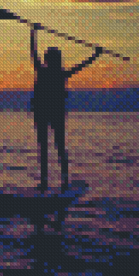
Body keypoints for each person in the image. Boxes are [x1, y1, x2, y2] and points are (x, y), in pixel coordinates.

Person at [30, 24, 103, 194]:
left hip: (49, 114)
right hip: (46, 113)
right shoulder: (54, 73)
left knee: (54, 147)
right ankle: (52, 182)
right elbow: (34, 54)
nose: (50, 61)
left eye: (51, 58)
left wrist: (33, 33)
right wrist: (95, 55)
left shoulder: (50, 72)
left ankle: (56, 181)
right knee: (53, 147)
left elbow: (34, 54)